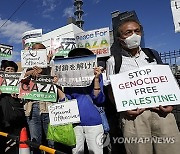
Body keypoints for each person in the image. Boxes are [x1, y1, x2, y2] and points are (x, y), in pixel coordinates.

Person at [106, 18, 180, 154]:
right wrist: (123, 109)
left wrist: (171, 104)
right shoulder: (113, 61)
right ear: (119, 38)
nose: (134, 35)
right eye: (128, 32)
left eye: (137, 31)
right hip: (134, 118)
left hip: (162, 113)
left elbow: (166, 81)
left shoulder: (153, 54)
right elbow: (111, 90)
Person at [56, 48, 105, 154]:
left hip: (94, 123)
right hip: (75, 123)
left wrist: (96, 79)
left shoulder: (97, 77)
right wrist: (58, 86)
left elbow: (100, 99)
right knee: (76, 151)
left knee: (97, 152)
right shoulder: (68, 79)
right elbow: (65, 101)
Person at [23, 43, 54, 154]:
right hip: (32, 107)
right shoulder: (26, 69)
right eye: (34, 50)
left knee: (52, 141)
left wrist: (45, 66)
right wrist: (32, 72)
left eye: (40, 50)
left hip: (49, 108)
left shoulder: (52, 66)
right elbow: (20, 83)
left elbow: (58, 81)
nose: (37, 53)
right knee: (35, 141)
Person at [0, 60, 26, 154]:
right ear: (3, 71)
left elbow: (25, 97)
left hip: (16, 118)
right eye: (8, 69)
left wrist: (19, 96)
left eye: (12, 69)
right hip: (2, 119)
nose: (10, 71)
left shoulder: (21, 83)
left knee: (15, 145)